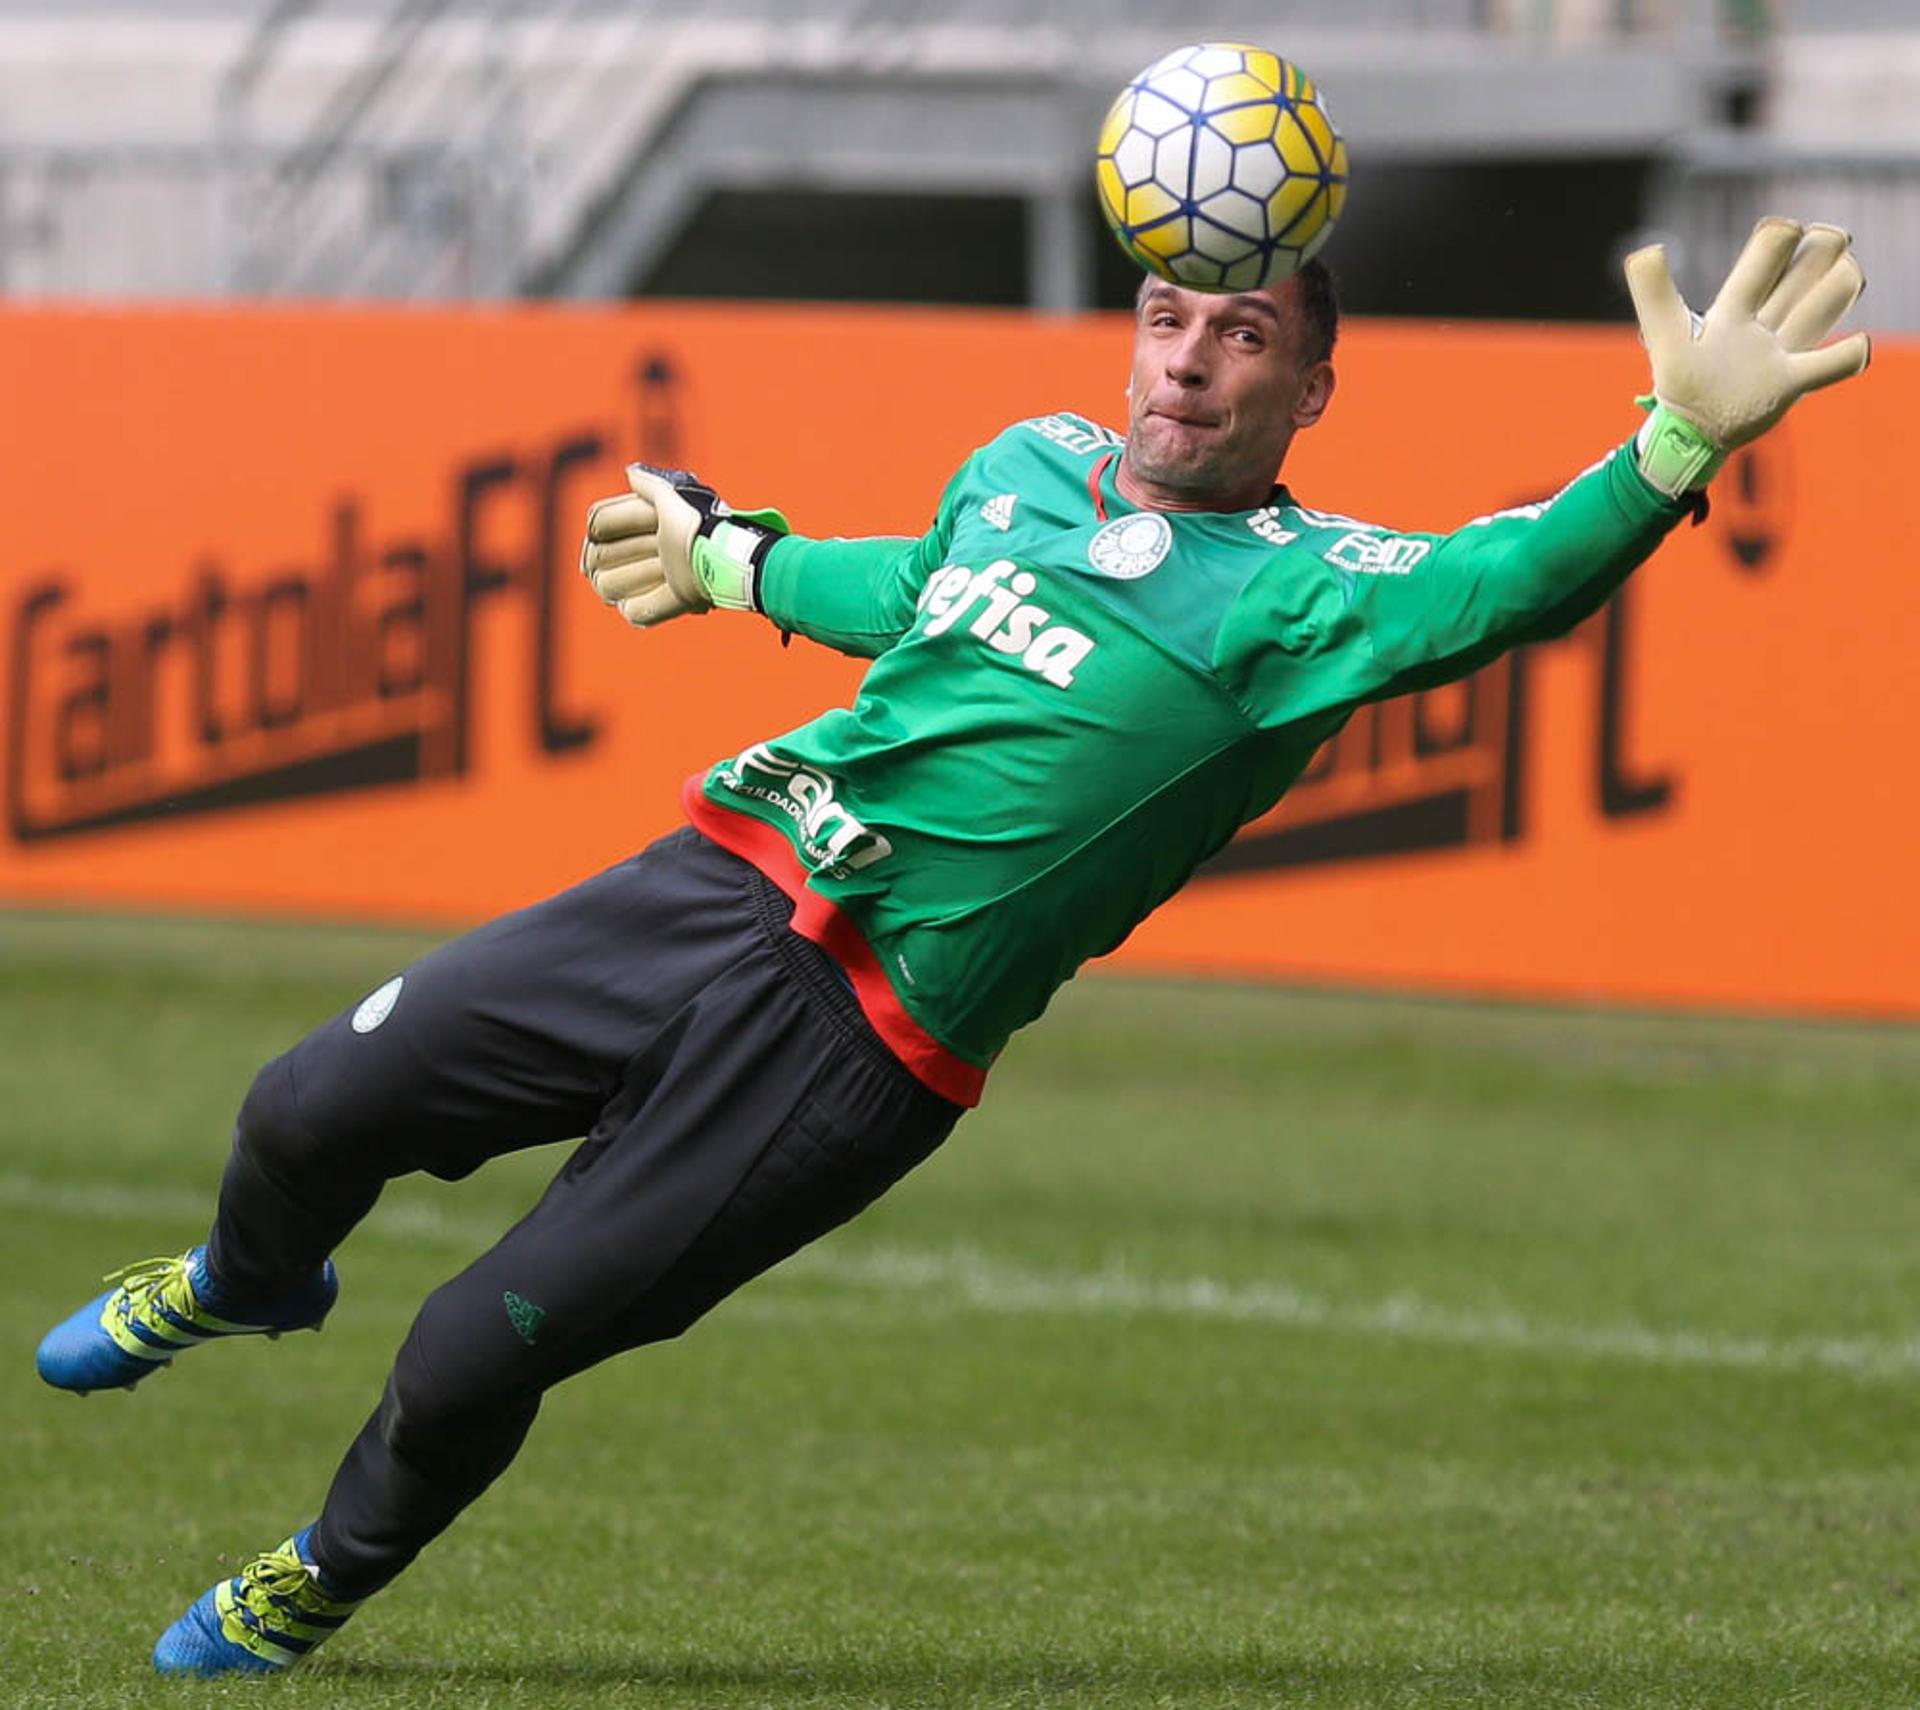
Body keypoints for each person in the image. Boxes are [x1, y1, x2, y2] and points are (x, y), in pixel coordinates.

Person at [36, 218, 1868, 1676]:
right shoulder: (1032, 463)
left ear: (1313, 384)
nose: (1191, 358)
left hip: (855, 1048)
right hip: (713, 877)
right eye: (1169, 315)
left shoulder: (1316, 595)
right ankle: (246, 1275)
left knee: (464, 1352)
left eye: (1243, 336)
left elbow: (1510, 580)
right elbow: (921, 592)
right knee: (303, 1102)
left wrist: (1674, 441)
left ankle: (313, 1577)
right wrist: (738, 562)